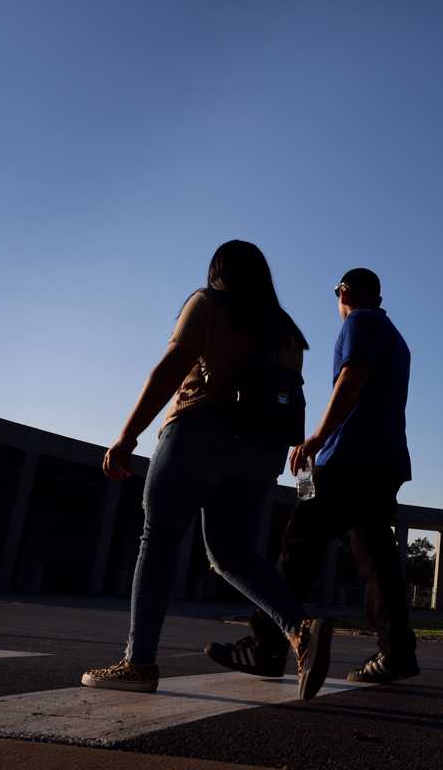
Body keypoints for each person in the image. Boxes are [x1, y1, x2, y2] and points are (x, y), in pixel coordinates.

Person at [82, 241, 333, 701]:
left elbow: (171, 367)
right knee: (233, 553)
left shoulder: (208, 303)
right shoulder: (288, 331)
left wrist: (127, 435)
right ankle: (299, 629)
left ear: (217, 271)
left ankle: (138, 663)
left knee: (158, 541)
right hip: (261, 451)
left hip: (198, 432)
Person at [205, 267, 418, 683]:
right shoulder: (395, 336)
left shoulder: (359, 321)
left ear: (343, 292)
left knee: (300, 541)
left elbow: (352, 377)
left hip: (349, 456)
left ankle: (268, 645)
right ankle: (397, 653)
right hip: (386, 460)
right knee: (377, 556)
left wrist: (316, 439)